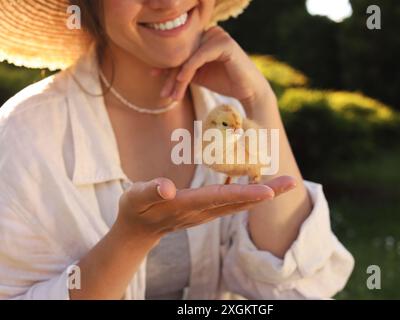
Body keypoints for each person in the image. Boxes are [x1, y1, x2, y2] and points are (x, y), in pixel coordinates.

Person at [0, 0, 354, 300]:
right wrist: (131, 238)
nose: (167, 2)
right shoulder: (23, 138)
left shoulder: (232, 110)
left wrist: (260, 101)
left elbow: (296, 288)